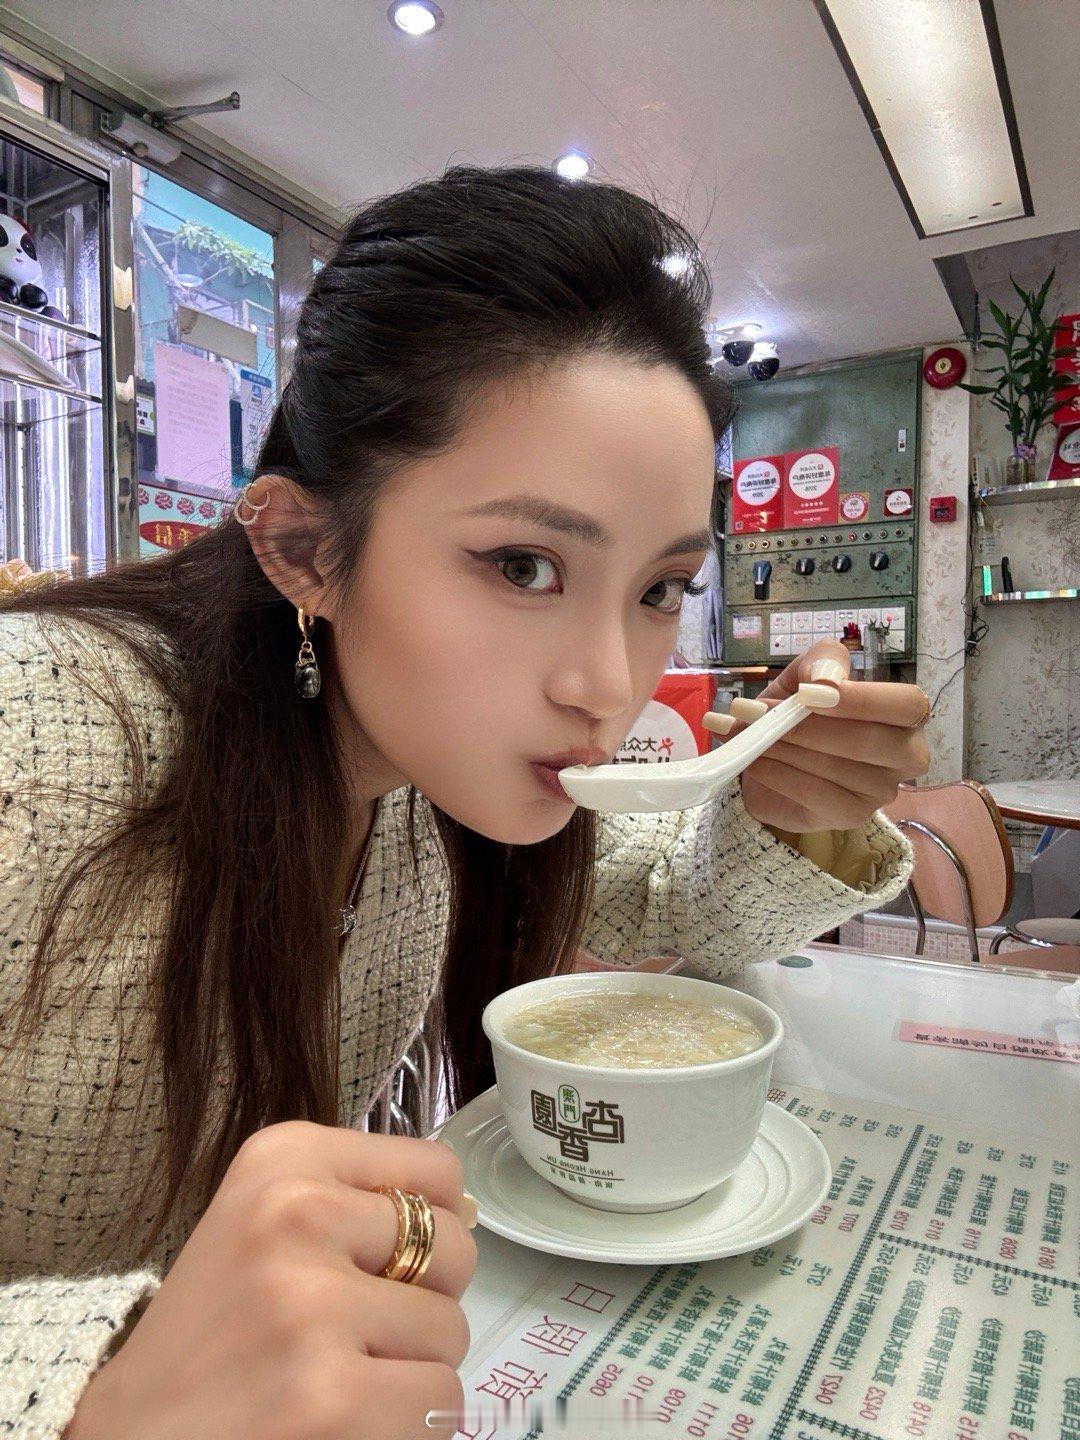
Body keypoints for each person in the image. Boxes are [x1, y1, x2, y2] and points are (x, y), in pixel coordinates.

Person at [0, 165, 928, 1440]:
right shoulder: (38, 745)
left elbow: (672, 890)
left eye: (658, 590)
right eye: (523, 565)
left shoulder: (423, 769)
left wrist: (798, 796)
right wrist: (87, 1397)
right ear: (303, 549)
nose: (607, 685)